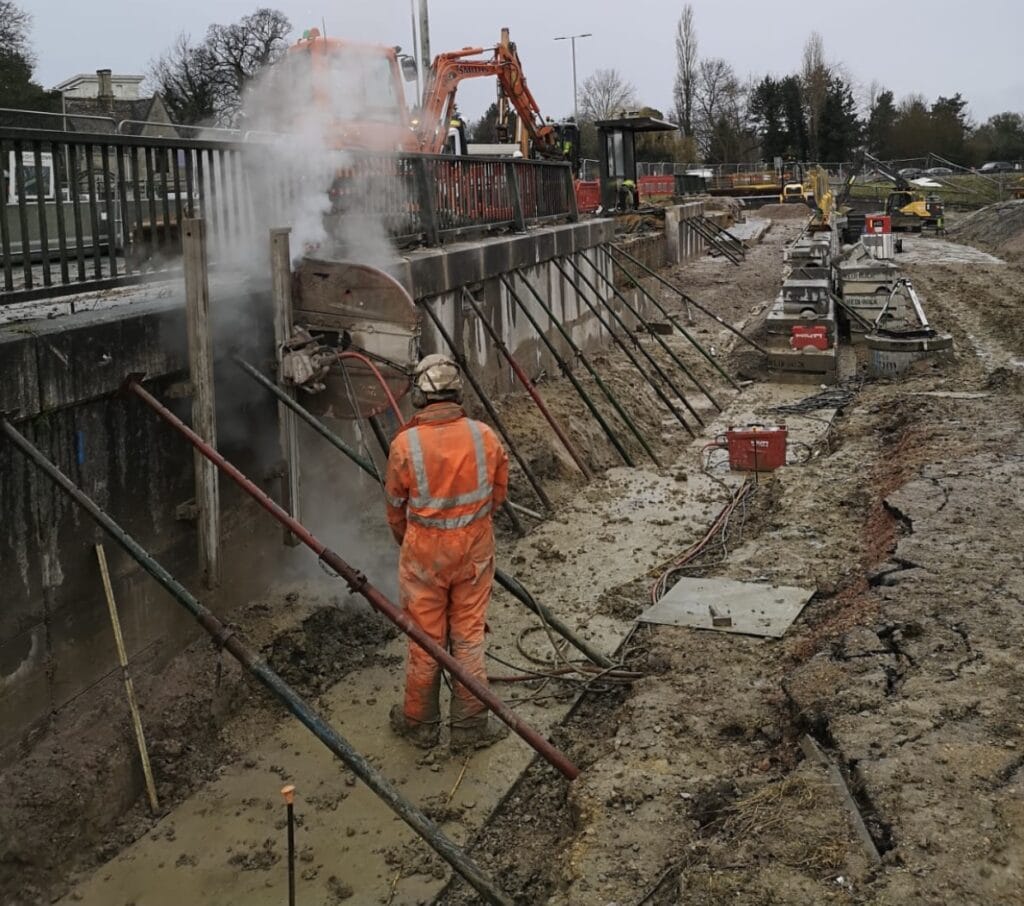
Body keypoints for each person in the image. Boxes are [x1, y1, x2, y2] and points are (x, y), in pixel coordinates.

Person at [384, 354, 510, 750]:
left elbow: (394, 509)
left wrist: (412, 539)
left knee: (425, 640)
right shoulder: (483, 436)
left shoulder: (404, 444)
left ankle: (420, 724)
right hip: (473, 553)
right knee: (469, 637)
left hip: (424, 557)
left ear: (420, 397)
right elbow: (498, 494)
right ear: (457, 392)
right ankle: (469, 729)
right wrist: (470, 525)